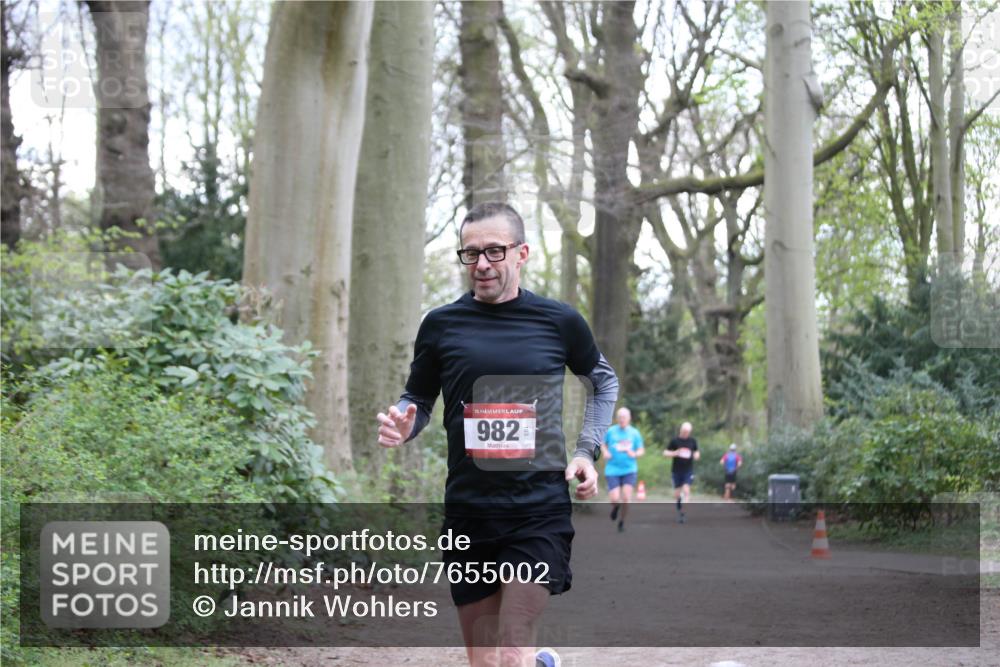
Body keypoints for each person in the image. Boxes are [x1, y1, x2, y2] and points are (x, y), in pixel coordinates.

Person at [376, 202, 619, 667]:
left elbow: (603, 382)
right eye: (471, 253)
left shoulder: (559, 321)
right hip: (470, 511)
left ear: (521, 253)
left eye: (494, 251)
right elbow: (419, 398)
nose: (482, 263)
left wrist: (586, 451)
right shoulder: (441, 325)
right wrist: (405, 421)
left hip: (537, 510)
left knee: (510, 649)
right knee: (485, 661)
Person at [602, 406, 644, 532]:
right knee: (614, 499)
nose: (622, 419)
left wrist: (634, 453)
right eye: (619, 417)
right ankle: (616, 507)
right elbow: (602, 443)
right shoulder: (611, 431)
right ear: (616, 418)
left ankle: (622, 522)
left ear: (629, 418)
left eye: (624, 417)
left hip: (629, 469)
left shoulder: (634, 433)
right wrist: (605, 452)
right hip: (612, 469)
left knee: (626, 498)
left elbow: (641, 450)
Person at [663, 421, 699, 523]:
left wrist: (696, 455)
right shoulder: (675, 441)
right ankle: (680, 508)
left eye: (687, 432)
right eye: (684, 431)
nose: (685, 433)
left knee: (686, 490)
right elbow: (665, 452)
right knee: (677, 494)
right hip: (676, 470)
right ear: (681, 430)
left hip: (688, 470)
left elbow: (696, 451)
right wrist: (675, 453)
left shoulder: (692, 441)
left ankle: (684, 513)